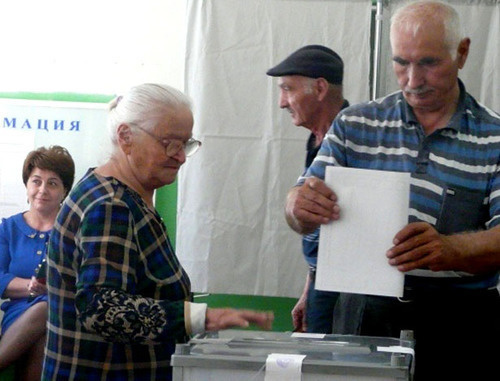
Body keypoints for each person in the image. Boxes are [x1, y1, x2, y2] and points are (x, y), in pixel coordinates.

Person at [284, 1, 500, 380]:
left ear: (462, 52)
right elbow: (300, 213)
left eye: (429, 63)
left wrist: (451, 249)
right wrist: (296, 204)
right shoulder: (355, 125)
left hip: (461, 322)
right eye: (401, 62)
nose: (413, 79)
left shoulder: (494, 137)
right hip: (365, 316)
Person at [42, 83, 273, 380]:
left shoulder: (112, 193)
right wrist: (203, 317)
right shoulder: (112, 206)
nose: (181, 157)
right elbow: (102, 309)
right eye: (169, 143)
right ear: (126, 137)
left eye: (186, 144)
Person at [267, 45, 351, 334]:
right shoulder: (316, 140)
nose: (282, 102)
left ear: (320, 88)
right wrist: (309, 290)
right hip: (322, 281)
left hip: (345, 288)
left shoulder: (354, 138)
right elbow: (322, 229)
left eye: (288, 89)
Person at [0, 145, 75, 381]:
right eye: (36, 181)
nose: (42, 190)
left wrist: (53, 289)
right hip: (19, 315)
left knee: (48, 312)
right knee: (44, 322)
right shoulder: (8, 228)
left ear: (64, 191)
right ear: (27, 185)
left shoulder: (74, 231)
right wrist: (29, 286)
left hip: (64, 314)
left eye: (52, 183)